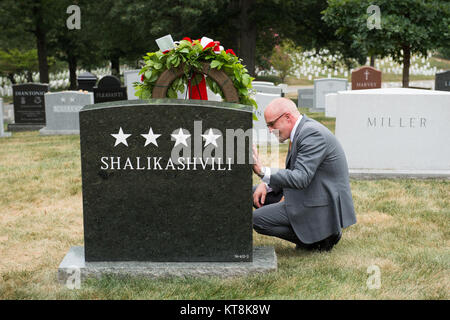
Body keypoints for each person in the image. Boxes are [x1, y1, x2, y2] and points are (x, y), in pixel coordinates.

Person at [252, 97, 356, 251]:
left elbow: (301, 178)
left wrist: (262, 171)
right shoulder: (302, 130)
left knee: (257, 220)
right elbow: (295, 170)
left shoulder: (312, 134)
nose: (270, 130)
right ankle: (311, 233)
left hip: (318, 206)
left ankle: (319, 239)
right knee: (254, 193)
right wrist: (266, 184)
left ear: (287, 117)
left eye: (272, 124)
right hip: (308, 194)